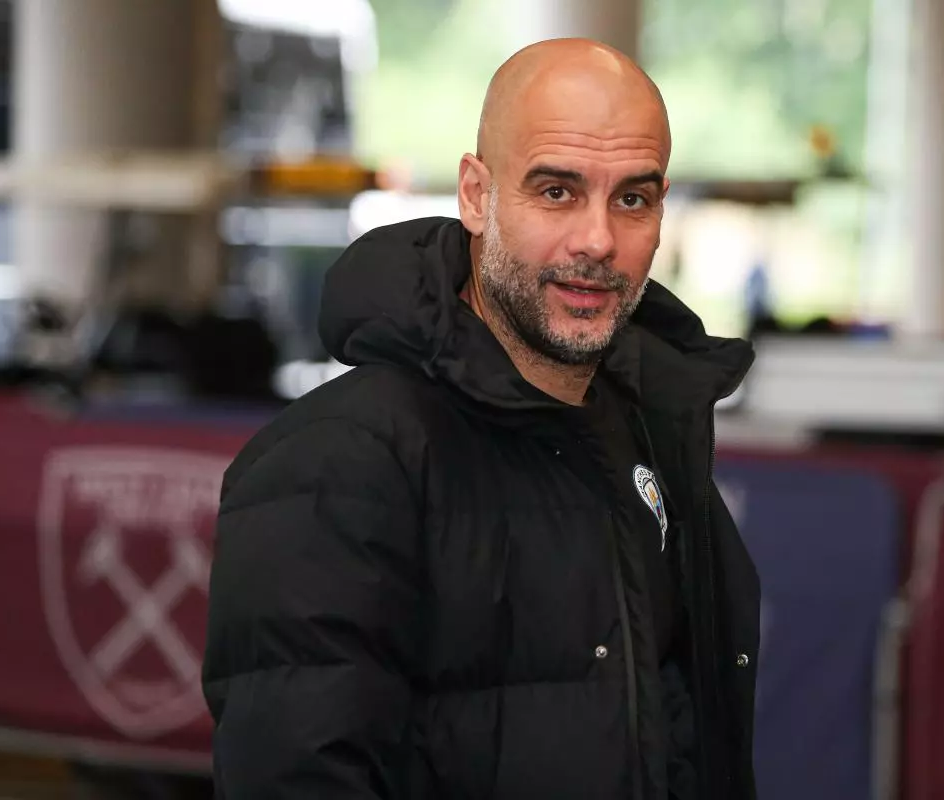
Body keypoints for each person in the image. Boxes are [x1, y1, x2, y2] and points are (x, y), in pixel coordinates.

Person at [202, 38, 759, 800]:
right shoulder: (338, 463)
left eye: (632, 198)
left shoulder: (649, 428)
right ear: (475, 194)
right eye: (557, 191)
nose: (598, 240)